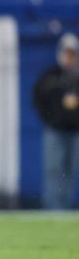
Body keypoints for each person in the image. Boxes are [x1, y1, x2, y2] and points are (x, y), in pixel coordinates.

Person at [33, 32, 79, 210]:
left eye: (72, 54)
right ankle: (53, 207)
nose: (69, 58)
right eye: (67, 53)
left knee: (70, 170)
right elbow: (38, 99)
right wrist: (50, 119)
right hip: (55, 130)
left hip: (76, 131)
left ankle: (65, 206)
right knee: (53, 170)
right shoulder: (50, 77)